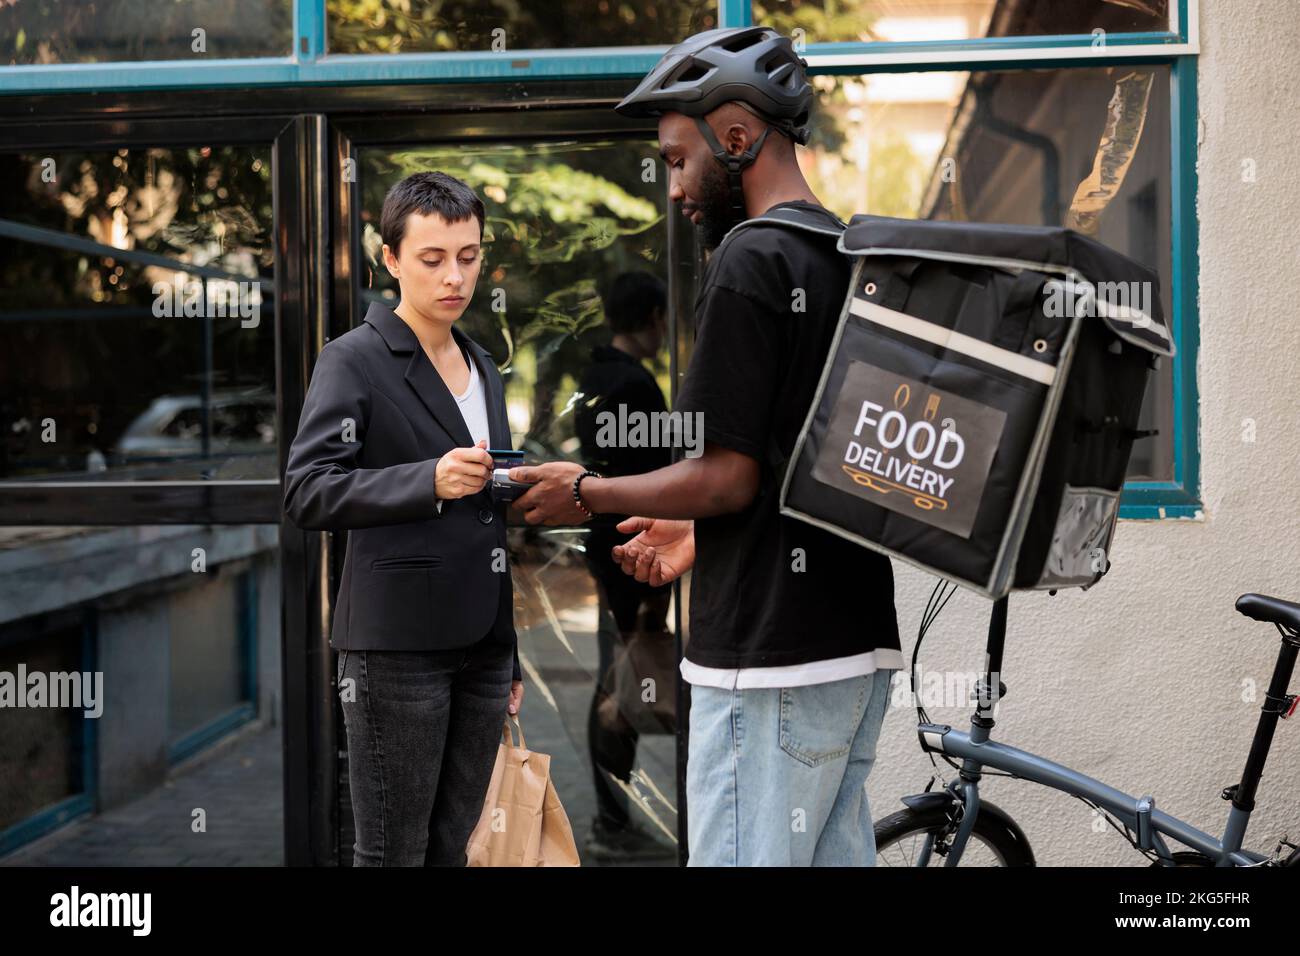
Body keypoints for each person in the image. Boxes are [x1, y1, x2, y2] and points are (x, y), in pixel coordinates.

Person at [508, 26, 903, 867]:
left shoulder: (749, 259)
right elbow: (805, 460)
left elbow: (725, 476)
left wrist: (588, 492)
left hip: (768, 660)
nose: (676, 187)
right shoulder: (841, 255)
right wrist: (695, 531)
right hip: (853, 649)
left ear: (737, 137)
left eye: (680, 160)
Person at [283, 171, 524, 866]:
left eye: (469, 257)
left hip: (482, 646)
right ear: (389, 259)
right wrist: (428, 481)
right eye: (433, 259)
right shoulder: (353, 360)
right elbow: (307, 491)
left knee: (455, 848)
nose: (455, 276)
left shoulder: (483, 364)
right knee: (392, 852)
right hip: (395, 650)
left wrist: (507, 649)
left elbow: (490, 524)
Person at [574, 271, 676, 861]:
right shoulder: (636, 387)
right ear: (655, 317)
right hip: (633, 548)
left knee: (616, 675)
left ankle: (610, 818)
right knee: (620, 681)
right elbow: (657, 481)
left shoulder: (595, 376)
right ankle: (611, 822)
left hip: (606, 545)